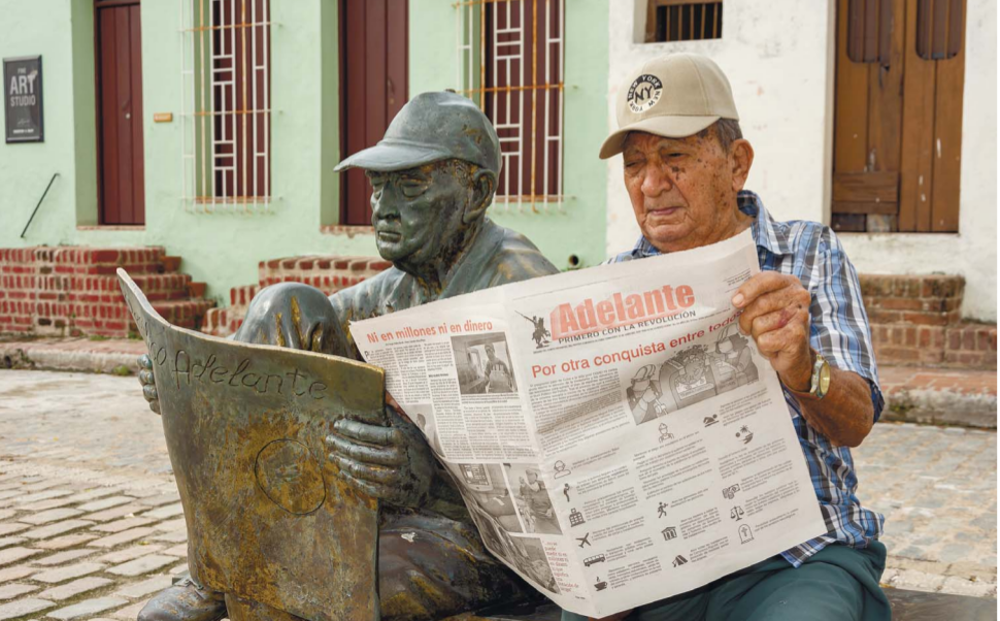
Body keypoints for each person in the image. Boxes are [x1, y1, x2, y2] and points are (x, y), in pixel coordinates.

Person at [137, 91, 559, 621]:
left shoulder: (520, 283)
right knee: (284, 304)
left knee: (305, 574)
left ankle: (243, 568)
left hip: (485, 540)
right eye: (378, 186)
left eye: (410, 185)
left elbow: (551, 466)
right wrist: (189, 383)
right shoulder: (401, 283)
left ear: (476, 193)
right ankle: (214, 565)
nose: (384, 206)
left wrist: (420, 466)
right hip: (399, 512)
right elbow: (272, 350)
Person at [578, 53, 888, 621]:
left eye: (675, 159)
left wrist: (800, 366)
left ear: (736, 164)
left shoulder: (807, 253)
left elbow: (856, 422)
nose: (651, 185)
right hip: (658, 561)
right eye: (634, 164)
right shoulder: (610, 283)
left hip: (794, 560)